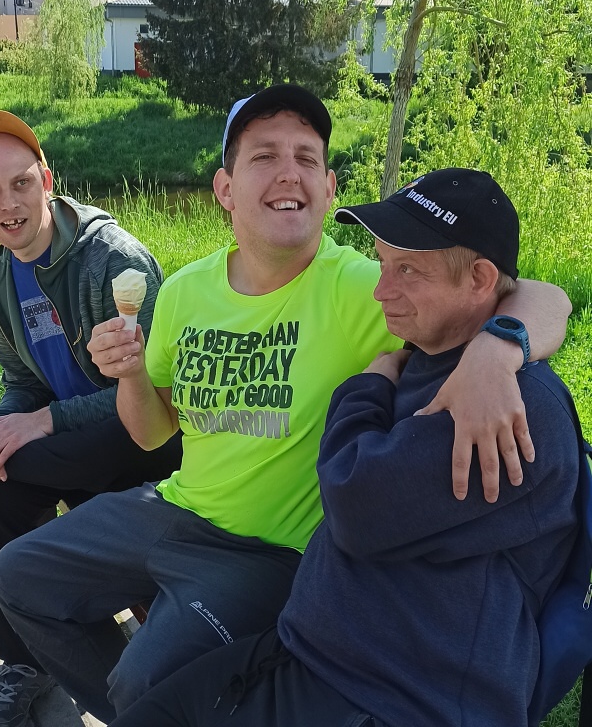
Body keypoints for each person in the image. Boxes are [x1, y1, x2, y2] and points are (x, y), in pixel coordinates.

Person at [0, 87, 571, 724]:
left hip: (273, 552)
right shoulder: (184, 291)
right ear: (225, 189)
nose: (289, 173)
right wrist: (128, 375)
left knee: (144, 681)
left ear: (328, 186)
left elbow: (530, 292)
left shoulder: (367, 288)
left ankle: (151, 703)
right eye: (264, 156)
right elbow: (152, 433)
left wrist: (496, 350)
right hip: (176, 508)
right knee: (17, 575)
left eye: (307, 158)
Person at [106, 168, 580, 727]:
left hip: (399, 696)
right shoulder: (437, 354)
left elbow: (355, 501)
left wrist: (368, 384)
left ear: (479, 279)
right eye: (382, 264)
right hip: (312, 655)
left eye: (407, 270)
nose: (381, 291)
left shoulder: (507, 406)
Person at [0, 111, 182, 727]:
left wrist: (44, 421)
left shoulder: (111, 260)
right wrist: (0, 430)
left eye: (21, 183)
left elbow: (158, 390)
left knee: (38, 450)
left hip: (144, 441)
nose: (8, 204)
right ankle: (24, 664)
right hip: (69, 450)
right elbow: (22, 384)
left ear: (46, 179)